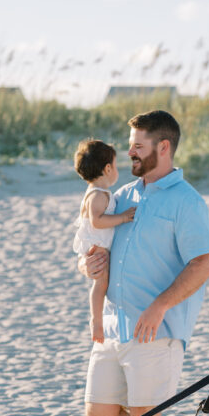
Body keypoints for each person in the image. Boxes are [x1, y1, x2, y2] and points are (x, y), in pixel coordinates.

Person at [80, 110, 209, 416]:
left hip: (157, 329)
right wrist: (91, 266)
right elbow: (98, 243)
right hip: (114, 324)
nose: (130, 151)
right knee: (100, 411)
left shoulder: (187, 201)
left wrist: (159, 306)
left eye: (138, 145)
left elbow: (203, 264)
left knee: (144, 412)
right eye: (130, 144)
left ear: (163, 147)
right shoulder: (122, 195)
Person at [73, 139, 136, 343]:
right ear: (108, 168)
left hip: (99, 244)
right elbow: (97, 221)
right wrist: (124, 217)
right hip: (97, 246)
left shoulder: (100, 193)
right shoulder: (98, 195)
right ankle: (96, 321)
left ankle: (97, 320)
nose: (117, 170)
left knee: (103, 283)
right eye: (116, 166)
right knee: (101, 284)